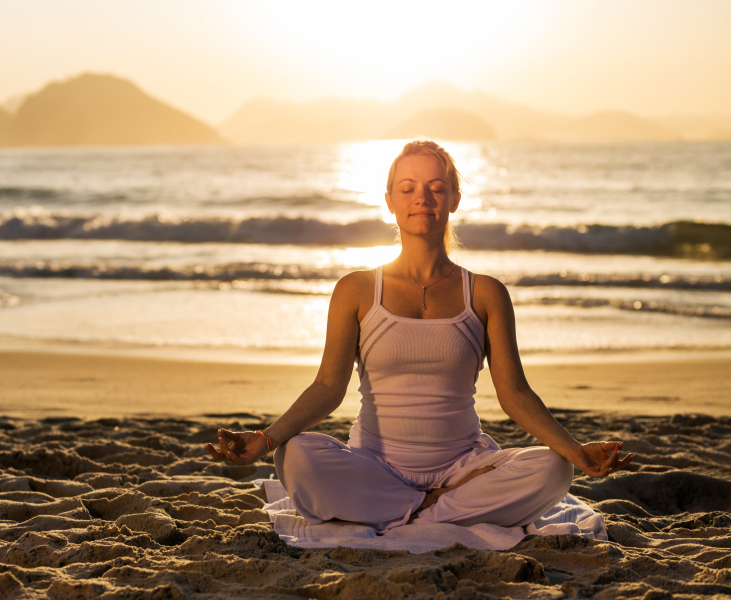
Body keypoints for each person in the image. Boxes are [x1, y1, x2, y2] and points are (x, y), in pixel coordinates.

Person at [207, 140, 634, 532]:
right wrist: (266, 439)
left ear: (454, 199)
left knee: (554, 470)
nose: (422, 198)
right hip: (373, 465)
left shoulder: (485, 293)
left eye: (435, 187)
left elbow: (515, 394)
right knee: (296, 456)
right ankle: (438, 508)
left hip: (464, 469)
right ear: (390, 201)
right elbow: (327, 387)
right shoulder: (356, 290)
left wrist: (575, 451)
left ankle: (407, 507)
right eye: (408, 188)